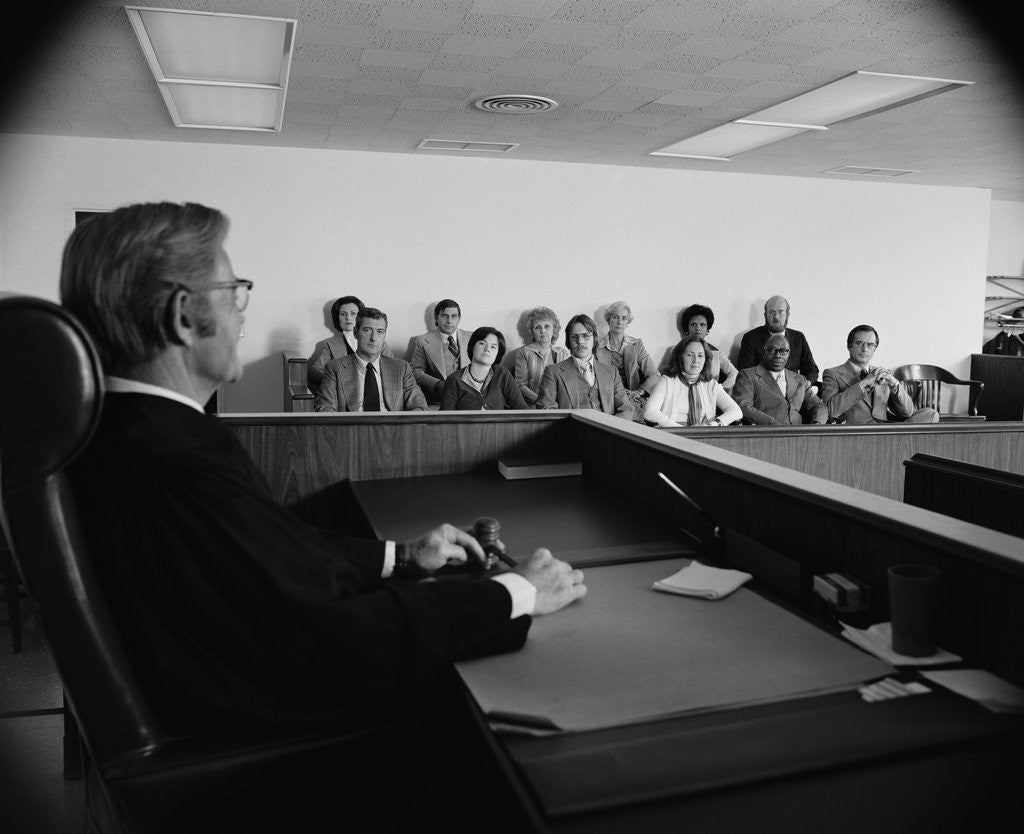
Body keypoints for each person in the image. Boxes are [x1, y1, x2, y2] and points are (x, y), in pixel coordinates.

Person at [59, 202, 586, 747]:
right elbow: (337, 640)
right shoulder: (171, 460)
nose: (242, 312)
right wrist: (515, 592)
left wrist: (397, 557)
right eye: (233, 291)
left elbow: (277, 556)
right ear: (181, 316)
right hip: (280, 738)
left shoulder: (146, 432)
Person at [314, 307, 428, 412]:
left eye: (380, 332)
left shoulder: (401, 368)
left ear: (384, 335)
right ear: (355, 333)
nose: (374, 338)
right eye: (367, 330)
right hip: (352, 431)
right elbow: (325, 409)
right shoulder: (335, 368)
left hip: (393, 431)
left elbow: (419, 407)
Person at [821, 325, 939, 424]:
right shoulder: (832, 373)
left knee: (930, 414)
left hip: (884, 430)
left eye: (870, 345)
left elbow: (907, 412)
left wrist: (895, 385)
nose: (865, 349)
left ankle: (896, 441)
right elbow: (830, 411)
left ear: (875, 349)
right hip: (856, 432)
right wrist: (864, 383)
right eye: (859, 343)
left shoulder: (882, 373)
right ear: (849, 346)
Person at [537, 314, 634, 419]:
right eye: (574, 337)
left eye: (586, 336)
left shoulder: (611, 372)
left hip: (608, 431)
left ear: (594, 339)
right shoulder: (552, 372)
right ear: (568, 341)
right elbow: (547, 412)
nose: (580, 341)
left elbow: (626, 409)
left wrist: (611, 430)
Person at [643, 336, 742, 427]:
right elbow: (650, 412)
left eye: (700, 355)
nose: (696, 360)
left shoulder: (711, 385)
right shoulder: (666, 382)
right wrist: (682, 430)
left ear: (706, 359)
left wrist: (712, 425)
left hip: (704, 436)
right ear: (680, 357)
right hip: (674, 436)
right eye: (690, 355)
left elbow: (736, 411)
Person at [733, 334, 827, 425]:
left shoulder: (799, 379)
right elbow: (743, 407)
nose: (778, 355)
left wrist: (816, 425)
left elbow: (818, 405)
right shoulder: (748, 375)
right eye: (772, 350)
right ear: (764, 352)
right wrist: (772, 423)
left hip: (799, 435)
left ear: (789, 353)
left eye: (783, 351)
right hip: (768, 435)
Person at [306, 295, 392, 390]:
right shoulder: (330, 345)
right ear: (337, 318)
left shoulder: (379, 342)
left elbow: (393, 369)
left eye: (353, 313)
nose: (348, 318)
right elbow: (314, 372)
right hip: (343, 395)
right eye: (343, 314)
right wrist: (336, 380)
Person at [595, 301, 661, 421]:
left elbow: (654, 375)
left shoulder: (636, 345)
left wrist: (639, 391)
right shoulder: (597, 346)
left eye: (624, 318)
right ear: (609, 320)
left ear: (628, 322)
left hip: (633, 399)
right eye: (615, 317)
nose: (620, 322)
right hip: (607, 398)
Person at [737, 295, 819, 388]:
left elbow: (811, 370)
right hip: (763, 391)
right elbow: (745, 372)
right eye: (772, 312)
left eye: (780, 312)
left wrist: (806, 384)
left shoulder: (798, 338)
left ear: (787, 314)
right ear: (765, 315)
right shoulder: (751, 338)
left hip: (794, 391)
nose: (776, 317)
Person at [440, 326, 527, 410]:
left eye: (493, 347)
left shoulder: (503, 374)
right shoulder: (454, 380)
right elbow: (446, 418)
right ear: (473, 347)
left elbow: (522, 409)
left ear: (498, 353)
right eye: (482, 343)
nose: (487, 349)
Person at [409, 298, 472, 403]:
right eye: (444, 316)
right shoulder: (422, 341)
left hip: (469, 398)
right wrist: (437, 384)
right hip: (439, 399)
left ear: (459, 318)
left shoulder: (472, 337)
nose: (449, 321)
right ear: (436, 318)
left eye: (454, 316)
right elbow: (415, 371)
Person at [510, 306, 569, 405]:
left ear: (554, 330)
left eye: (547, 326)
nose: (543, 331)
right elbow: (520, 385)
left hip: (560, 407)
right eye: (537, 327)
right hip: (534, 406)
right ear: (531, 331)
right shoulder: (524, 353)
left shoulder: (563, 353)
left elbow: (568, 385)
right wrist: (542, 402)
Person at [680, 303, 738, 392]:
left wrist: (721, 389)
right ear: (687, 328)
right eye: (694, 324)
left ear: (707, 330)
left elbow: (734, 373)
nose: (698, 328)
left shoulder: (715, 351)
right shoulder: (678, 350)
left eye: (702, 325)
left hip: (713, 397)